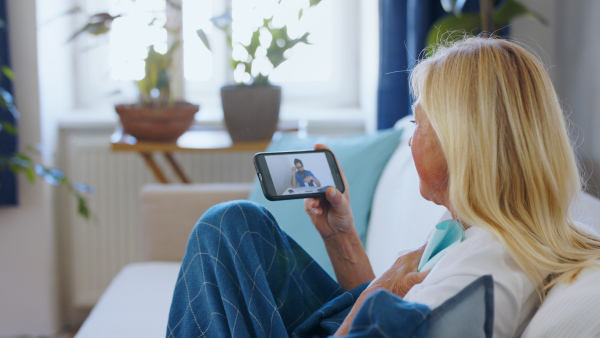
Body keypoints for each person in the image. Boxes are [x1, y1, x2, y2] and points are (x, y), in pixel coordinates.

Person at [166, 37, 600, 338]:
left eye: (418, 122)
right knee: (241, 223)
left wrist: (374, 294)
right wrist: (342, 239)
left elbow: (389, 319)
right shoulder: (478, 233)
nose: (410, 138)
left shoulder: (482, 272)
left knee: (222, 228)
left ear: (461, 144)